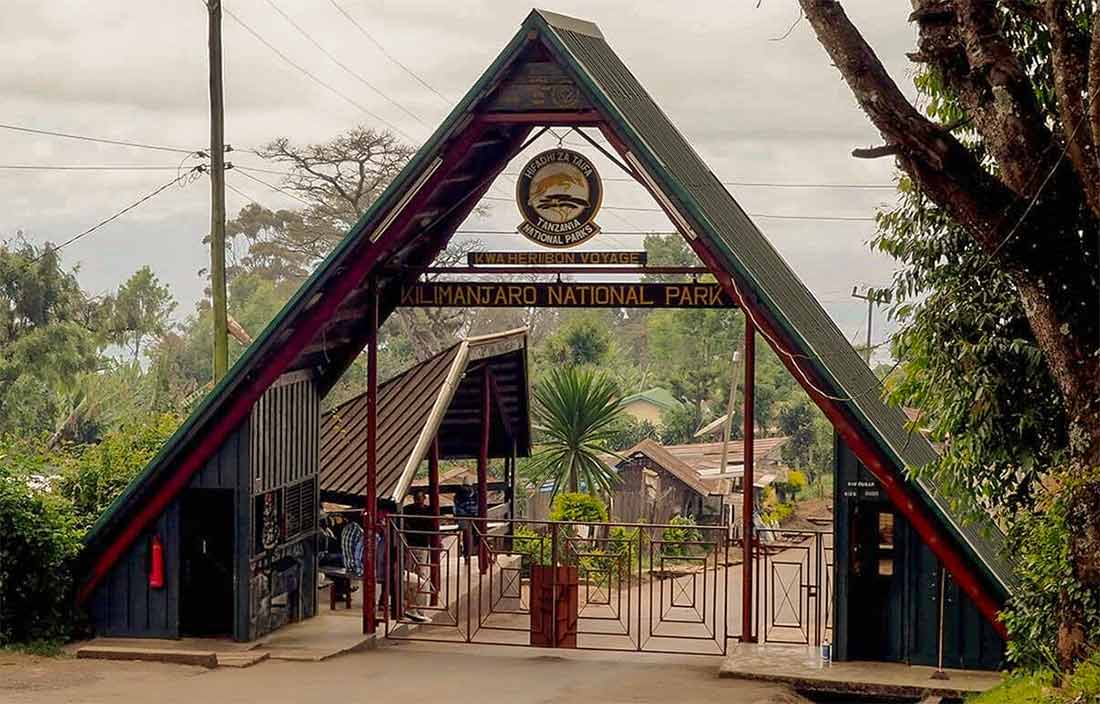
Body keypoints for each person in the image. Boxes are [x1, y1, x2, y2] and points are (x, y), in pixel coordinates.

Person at [402, 489, 435, 609]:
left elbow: (431, 527)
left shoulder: (427, 511)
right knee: (411, 573)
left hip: (420, 544)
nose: (418, 500)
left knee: (420, 573)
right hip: (412, 544)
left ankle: (419, 601)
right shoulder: (409, 510)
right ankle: (411, 601)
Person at [452, 476, 479, 558]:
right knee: (469, 532)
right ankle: (468, 551)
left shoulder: (460, 494)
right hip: (467, 516)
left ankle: (468, 552)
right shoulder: (473, 493)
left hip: (466, 516)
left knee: (468, 533)